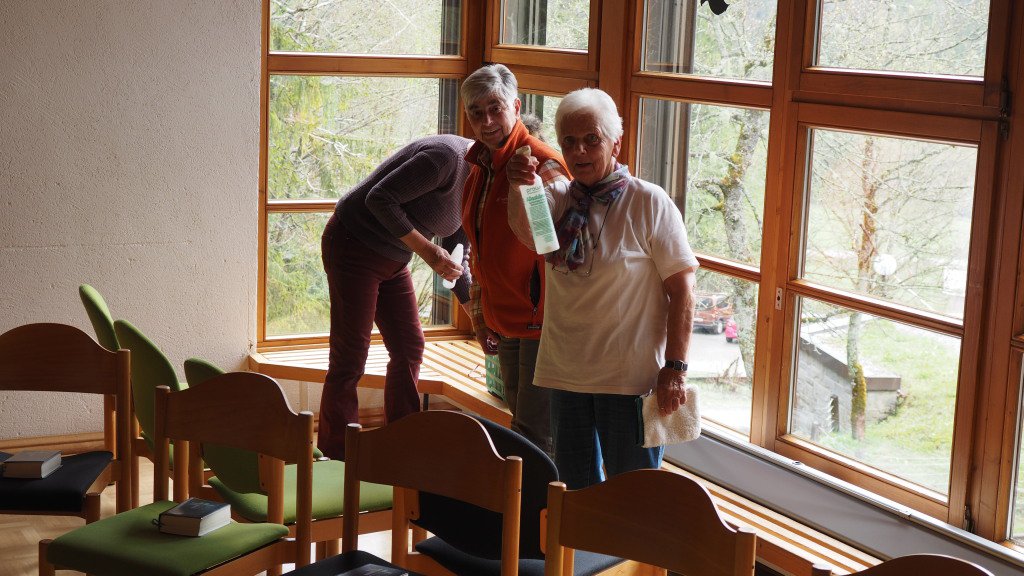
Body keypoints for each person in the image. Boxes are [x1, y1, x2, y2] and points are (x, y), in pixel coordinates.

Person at [507, 88, 699, 489]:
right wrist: (521, 186)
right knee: (574, 496)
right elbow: (529, 235)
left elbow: (683, 290)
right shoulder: (558, 199)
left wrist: (676, 369)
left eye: (592, 139)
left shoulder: (649, 202)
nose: (579, 151)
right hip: (566, 376)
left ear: (616, 142)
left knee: (633, 497)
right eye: (569, 141)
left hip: (630, 381)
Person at [318, 134, 472, 460]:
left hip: (393, 258)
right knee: (350, 357)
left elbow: (458, 252)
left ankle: (402, 445)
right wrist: (428, 251)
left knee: (409, 346)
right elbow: (379, 199)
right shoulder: (446, 158)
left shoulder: (480, 181)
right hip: (353, 243)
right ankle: (338, 456)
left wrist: (477, 315)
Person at [460, 64, 570, 456]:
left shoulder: (542, 163)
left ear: (516, 107)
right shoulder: (482, 166)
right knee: (523, 427)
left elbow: (555, 244)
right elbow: (480, 250)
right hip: (505, 319)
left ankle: (541, 499)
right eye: (476, 112)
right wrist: (480, 314)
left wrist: (528, 187)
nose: (486, 121)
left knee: (536, 436)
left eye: (495, 108)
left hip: (542, 322)